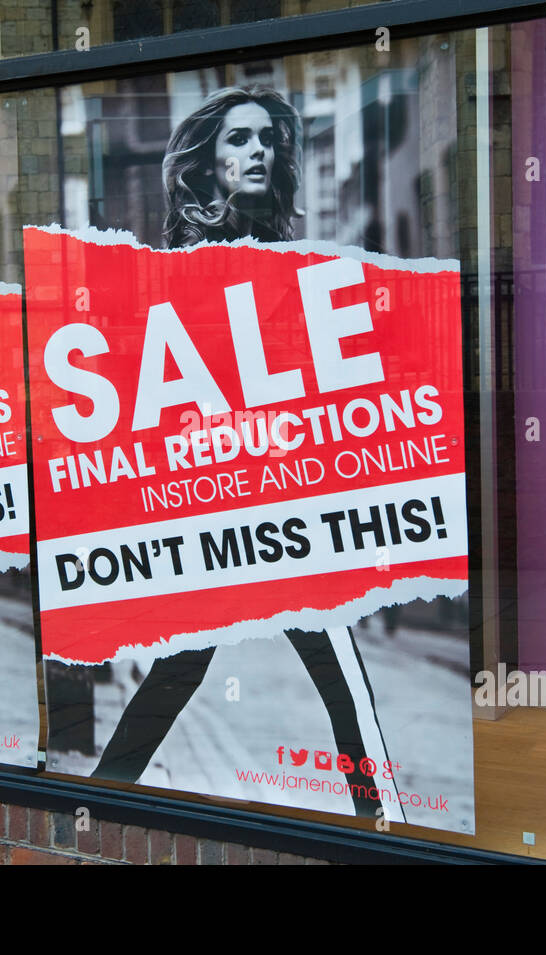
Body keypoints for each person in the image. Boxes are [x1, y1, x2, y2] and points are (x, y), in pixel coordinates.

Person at [91, 88, 403, 822]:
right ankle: (102, 797)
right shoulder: (178, 270)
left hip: (282, 506)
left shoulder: (286, 263)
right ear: (206, 164)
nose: (258, 150)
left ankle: (380, 819)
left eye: (267, 138)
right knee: (186, 667)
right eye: (238, 140)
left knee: (331, 675)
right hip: (216, 510)